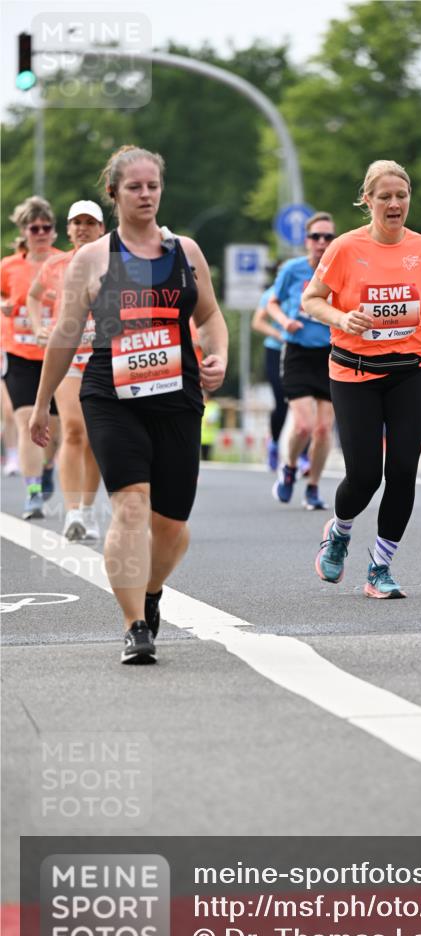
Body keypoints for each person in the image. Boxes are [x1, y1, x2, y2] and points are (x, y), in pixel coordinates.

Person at [30, 145, 228, 664]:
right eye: (134, 186)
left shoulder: (185, 252)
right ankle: (134, 624)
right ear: (114, 193)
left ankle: (152, 590)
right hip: (111, 394)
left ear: (162, 190)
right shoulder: (93, 258)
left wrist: (219, 356)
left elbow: (209, 316)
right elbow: (65, 335)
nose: (145, 194)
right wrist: (41, 403)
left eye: (153, 185)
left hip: (178, 394)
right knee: (131, 505)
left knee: (171, 527)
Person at [302, 159, 421, 598]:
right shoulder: (346, 248)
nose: (394, 203)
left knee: (403, 471)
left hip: (410, 371)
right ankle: (340, 530)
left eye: (401, 196)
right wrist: (343, 318)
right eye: (384, 196)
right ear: (367, 201)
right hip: (355, 373)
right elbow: (312, 300)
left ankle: (380, 569)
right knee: (365, 476)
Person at [28, 200, 105, 540]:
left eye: (90, 222)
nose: (83, 228)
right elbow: (33, 296)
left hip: (103, 357)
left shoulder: (113, 263)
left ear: (101, 229)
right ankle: (73, 512)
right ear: (69, 228)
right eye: (77, 222)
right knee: (74, 430)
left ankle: (88, 509)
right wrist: (39, 326)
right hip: (69, 356)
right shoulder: (56, 265)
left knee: (95, 438)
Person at [267, 213, 336, 510]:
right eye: (316, 237)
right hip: (297, 353)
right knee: (304, 426)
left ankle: (313, 487)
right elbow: (271, 302)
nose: (321, 243)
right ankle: (290, 466)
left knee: (323, 429)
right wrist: (285, 322)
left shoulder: (341, 270)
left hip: (330, 356)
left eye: (328, 237)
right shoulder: (292, 270)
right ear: (306, 240)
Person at [1, 197, 62, 518]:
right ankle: (33, 492)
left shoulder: (64, 263)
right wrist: (3, 306)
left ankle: (49, 465)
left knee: (54, 427)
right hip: (20, 353)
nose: (39, 232)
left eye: (45, 227)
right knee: (26, 422)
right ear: (24, 232)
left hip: (56, 356)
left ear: (53, 231)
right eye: (33, 227)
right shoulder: (8, 267)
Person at [251, 271, 310, 473]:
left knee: (306, 402)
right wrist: (279, 333)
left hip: (300, 350)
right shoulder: (271, 294)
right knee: (282, 401)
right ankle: (275, 444)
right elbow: (257, 322)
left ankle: (303, 454)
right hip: (276, 350)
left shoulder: (303, 291)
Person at [200, 391, 221, 460]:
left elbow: (210, 421)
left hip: (209, 438)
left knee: (207, 458)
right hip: (200, 437)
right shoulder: (201, 405)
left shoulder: (213, 406)